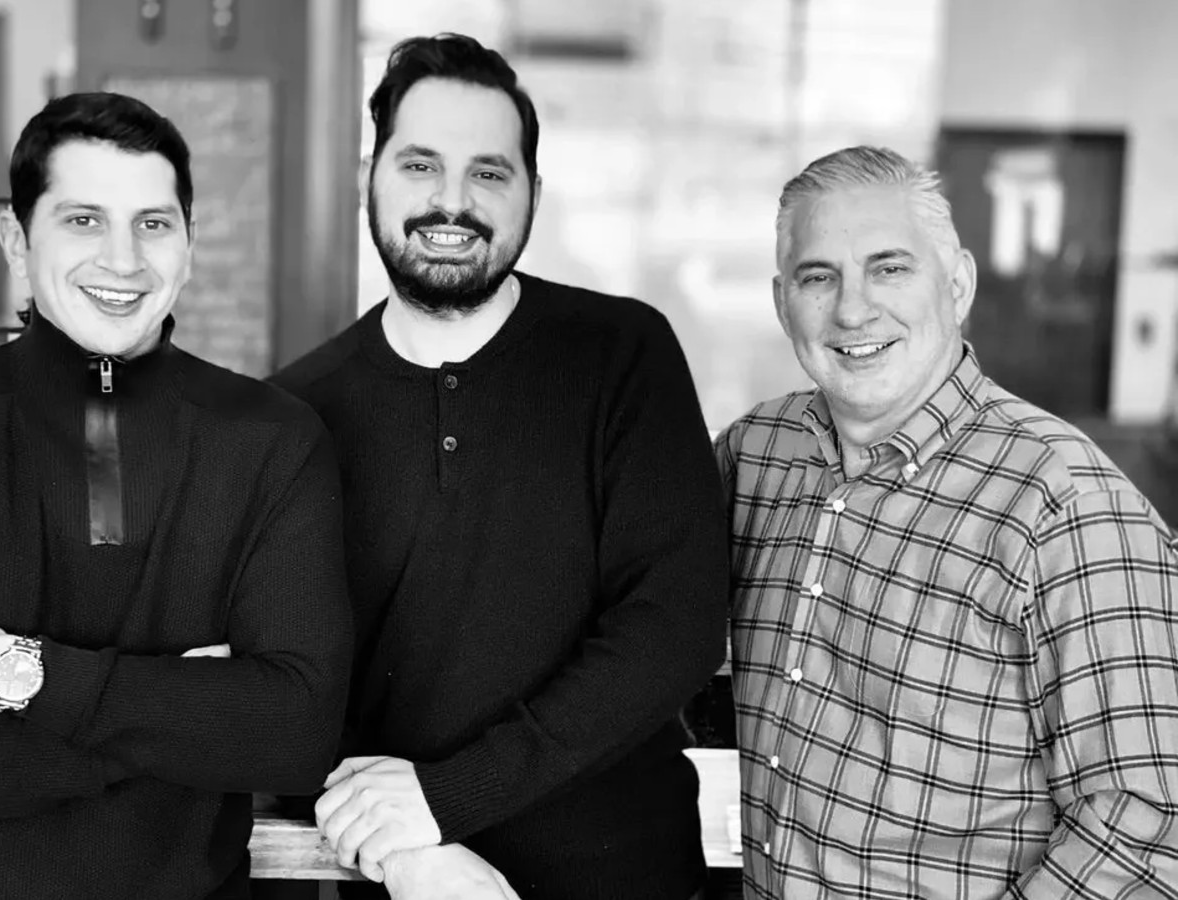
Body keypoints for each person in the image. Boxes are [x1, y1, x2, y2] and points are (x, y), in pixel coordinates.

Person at [0, 91, 352, 899]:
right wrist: (181, 729)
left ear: (189, 244)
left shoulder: (274, 441)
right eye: (83, 220)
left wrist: (18, 675)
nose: (123, 260)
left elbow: (295, 737)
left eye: (153, 223)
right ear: (16, 240)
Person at [272, 33, 729, 900]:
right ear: (369, 178)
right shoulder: (295, 414)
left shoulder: (622, 355)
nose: (453, 201)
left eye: (488, 172)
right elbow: (286, 691)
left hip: (630, 879)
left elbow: (675, 628)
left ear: (533, 195)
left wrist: (449, 799)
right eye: (420, 165)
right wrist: (413, 854)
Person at [718, 145, 1178, 898]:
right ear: (781, 302)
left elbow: (1145, 826)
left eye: (890, 268)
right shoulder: (756, 453)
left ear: (957, 284)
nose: (853, 309)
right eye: (817, 277)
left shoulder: (1064, 503)